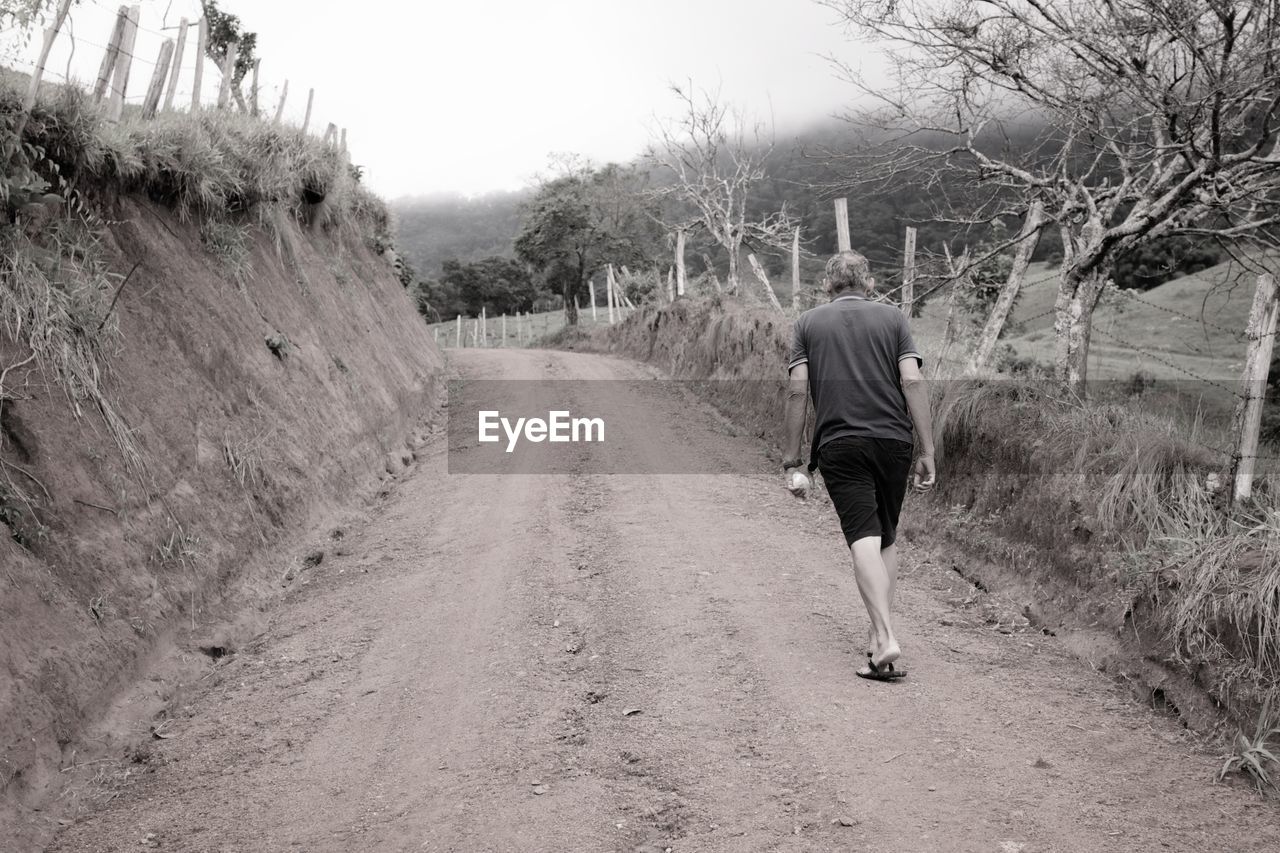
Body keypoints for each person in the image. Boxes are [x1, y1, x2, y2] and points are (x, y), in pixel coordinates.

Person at [781, 250, 936, 682]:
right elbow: (913, 381)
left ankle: (885, 637)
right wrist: (928, 449)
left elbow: (798, 392)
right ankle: (875, 645)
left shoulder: (808, 323)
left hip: (840, 443)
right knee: (885, 538)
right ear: (868, 282)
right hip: (894, 442)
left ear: (828, 284)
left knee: (862, 537)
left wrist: (793, 459)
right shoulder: (894, 319)